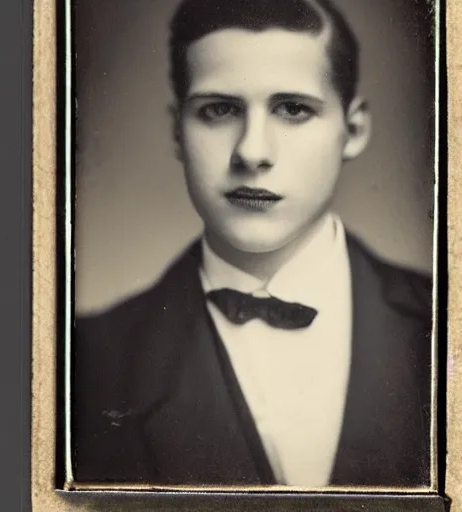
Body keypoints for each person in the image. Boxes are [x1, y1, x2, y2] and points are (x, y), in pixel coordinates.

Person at [73, 0, 432, 488]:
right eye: (218, 110)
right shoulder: (86, 362)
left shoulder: (451, 325)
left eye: (293, 109)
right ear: (177, 131)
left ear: (352, 130)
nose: (252, 152)